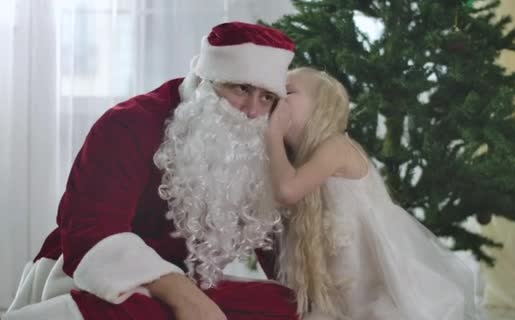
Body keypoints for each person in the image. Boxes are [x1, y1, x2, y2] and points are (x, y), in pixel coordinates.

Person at [5, 22, 298, 320]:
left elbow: (275, 244)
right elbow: (90, 232)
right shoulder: (130, 123)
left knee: (289, 305)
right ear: (207, 80)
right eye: (242, 88)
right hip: (91, 275)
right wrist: (185, 298)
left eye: (266, 98)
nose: (251, 111)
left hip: (182, 283)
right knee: (139, 310)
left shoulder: (255, 140)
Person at [266, 67, 479, 320]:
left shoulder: (336, 146)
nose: (278, 96)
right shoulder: (295, 162)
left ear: (319, 108)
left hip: (371, 289)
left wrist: (273, 134)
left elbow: (286, 191)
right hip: (344, 288)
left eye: (288, 91)